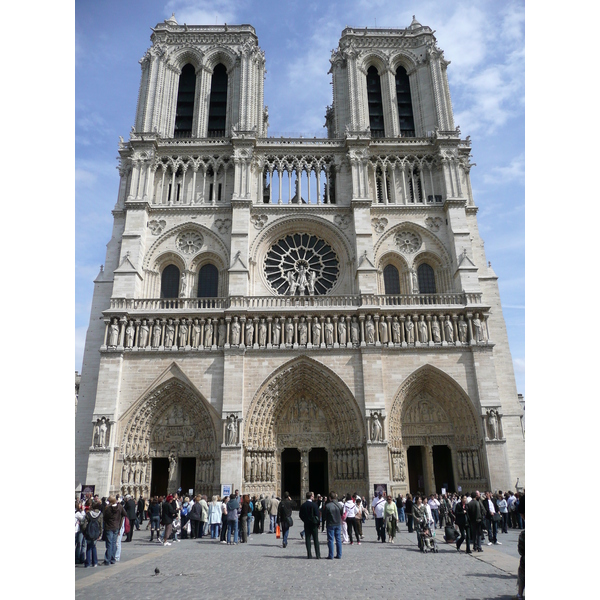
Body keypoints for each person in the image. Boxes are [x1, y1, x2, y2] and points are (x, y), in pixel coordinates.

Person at [102, 496, 126, 564]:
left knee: (109, 543)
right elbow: (125, 514)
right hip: (116, 527)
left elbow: (105, 517)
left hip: (109, 527)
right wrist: (119, 520)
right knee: (114, 543)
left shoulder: (108, 508)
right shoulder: (120, 507)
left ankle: (107, 560)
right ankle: (113, 559)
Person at [299, 491, 321, 559]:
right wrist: (318, 523)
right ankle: (318, 555)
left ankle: (309, 555)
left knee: (308, 539)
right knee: (315, 540)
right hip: (314, 524)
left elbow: (300, 515)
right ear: (311, 496)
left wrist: (305, 520)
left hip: (307, 524)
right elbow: (317, 515)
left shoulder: (303, 505)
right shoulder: (314, 505)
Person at [323, 491, 343, 559]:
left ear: (329, 498)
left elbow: (324, 515)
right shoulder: (339, 505)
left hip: (330, 524)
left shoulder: (328, 506)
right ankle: (339, 555)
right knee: (338, 539)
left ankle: (331, 555)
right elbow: (342, 514)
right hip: (338, 523)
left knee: (331, 540)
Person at [83, 501, 103, 567]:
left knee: (88, 547)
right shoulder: (100, 514)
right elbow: (101, 525)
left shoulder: (88, 514)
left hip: (89, 532)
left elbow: (84, 525)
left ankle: (88, 563)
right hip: (96, 533)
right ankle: (95, 562)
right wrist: (100, 533)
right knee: (94, 547)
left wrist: (84, 532)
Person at [75, 501, 87, 565]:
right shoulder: (77, 513)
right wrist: (83, 511)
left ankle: (77, 558)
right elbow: (83, 518)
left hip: (77, 530)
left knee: (78, 544)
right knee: (79, 544)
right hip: (76, 530)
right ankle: (77, 558)